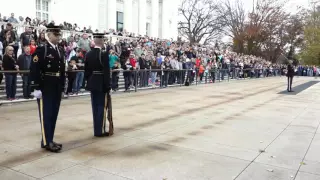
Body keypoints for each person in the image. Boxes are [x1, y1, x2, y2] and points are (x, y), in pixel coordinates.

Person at [29, 24, 65, 153]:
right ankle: (46, 141)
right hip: (45, 86)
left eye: (59, 34)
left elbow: (62, 70)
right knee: (46, 115)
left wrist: (62, 87)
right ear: (49, 35)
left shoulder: (59, 50)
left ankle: (49, 139)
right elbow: (34, 69)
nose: (59, 37)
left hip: (56, 86)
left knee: (53, 114)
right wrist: (36, 87)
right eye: (56, 35)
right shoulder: (42, 49)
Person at [84, 33, 113, 137]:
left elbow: (86, 71)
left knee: (94, 107)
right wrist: (108, 85)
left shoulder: (88, 54)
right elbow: (106, 71)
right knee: (101, 106)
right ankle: (99, 130)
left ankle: (96, 130)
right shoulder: (103, 54)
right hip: (101, 83)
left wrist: (89, 81)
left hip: (92, 82)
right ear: (101, 41)